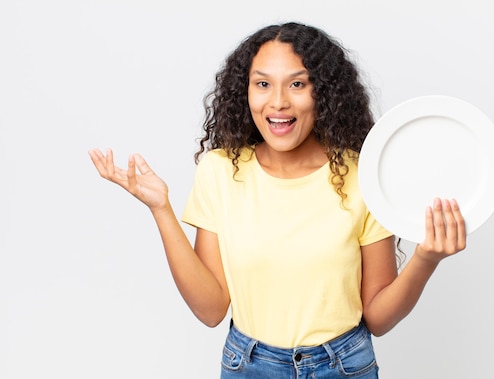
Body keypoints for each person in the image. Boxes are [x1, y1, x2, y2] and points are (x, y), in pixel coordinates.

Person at [88, 21, 466, 379]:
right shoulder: (220, 170)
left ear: (325, 93)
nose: (278, 102)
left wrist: (425, 259)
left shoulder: (360, 174)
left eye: (298, 84)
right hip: (250, 365)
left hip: (343, 365)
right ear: (245, 91)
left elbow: (379, 318)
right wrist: (161, 209)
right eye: (263, 83)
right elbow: (211, 308)